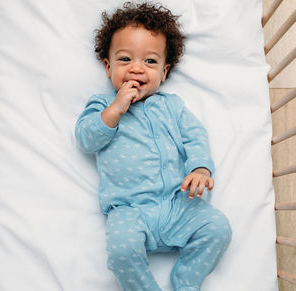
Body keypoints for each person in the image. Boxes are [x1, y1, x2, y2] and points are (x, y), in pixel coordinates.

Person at [75, 2, 232, 290]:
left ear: (164, 71)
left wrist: (200, 168)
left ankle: (186, 281)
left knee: (218, 228)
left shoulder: (172, 106)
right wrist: (116, 109)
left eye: (149, 62)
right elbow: (87, 139)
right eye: (125, 60)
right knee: (122, 251)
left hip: (178, 203)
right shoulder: (101, 105)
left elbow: (195, 137)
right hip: (129, 209)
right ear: (108, 67)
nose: (136, 68)